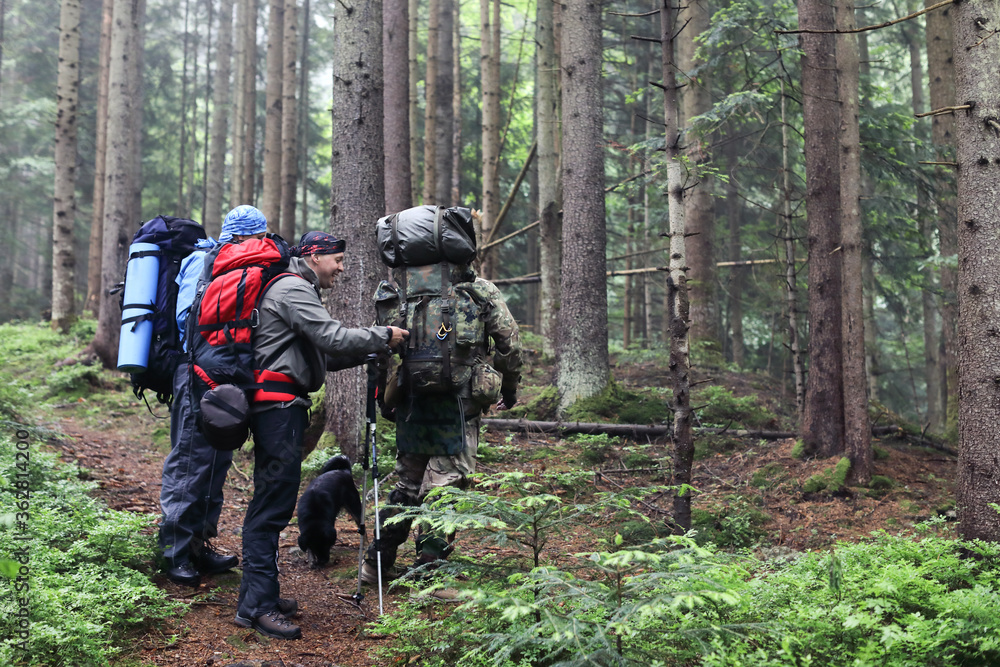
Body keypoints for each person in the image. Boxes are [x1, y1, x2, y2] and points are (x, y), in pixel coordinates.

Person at [234, 230, 408, 640]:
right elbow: (330, 337)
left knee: (272, 503)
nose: (342, 268)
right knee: (272, 506)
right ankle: (255, 607)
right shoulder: (294, 289)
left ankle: (263, 594)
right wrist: (383, 335)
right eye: (338, 260)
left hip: (281, 406)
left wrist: (368, 350)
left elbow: (322, 356)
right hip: (277, 408)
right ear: (314, 257)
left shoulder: (291, 289)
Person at [360, 261, 522, 590]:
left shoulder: (398, 292)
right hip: (460, 403)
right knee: (446, 486)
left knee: (407, 484)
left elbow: (379, 346)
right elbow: (510, 344)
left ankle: (376, 563)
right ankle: (430, 575)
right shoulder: (479, 290)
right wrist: (509, 389)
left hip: (411, 399)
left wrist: (382, 397)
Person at [159, 205, 269, 586]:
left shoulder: (235, 265)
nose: (262, 244)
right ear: (242, 236)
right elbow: (185, 320)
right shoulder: (201, 262)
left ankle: (199, 544)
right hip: (194, 375)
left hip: (223, 377)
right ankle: (174, 550)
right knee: (191, 460)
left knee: (217, 460)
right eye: (258, 236)